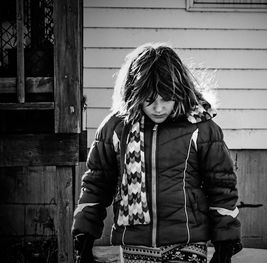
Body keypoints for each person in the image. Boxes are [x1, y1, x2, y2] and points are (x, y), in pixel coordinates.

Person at [72, 42, 242, 263]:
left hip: (187, 244)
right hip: (134, 245)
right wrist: (84, 236)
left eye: (166, 98)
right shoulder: (116, 129)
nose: (158, 108)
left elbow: (221, 188)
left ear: (179, 92)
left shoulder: (201, 128)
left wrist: (225, 244)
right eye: (150, 99)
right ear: (135, 93)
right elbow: (96, 185)